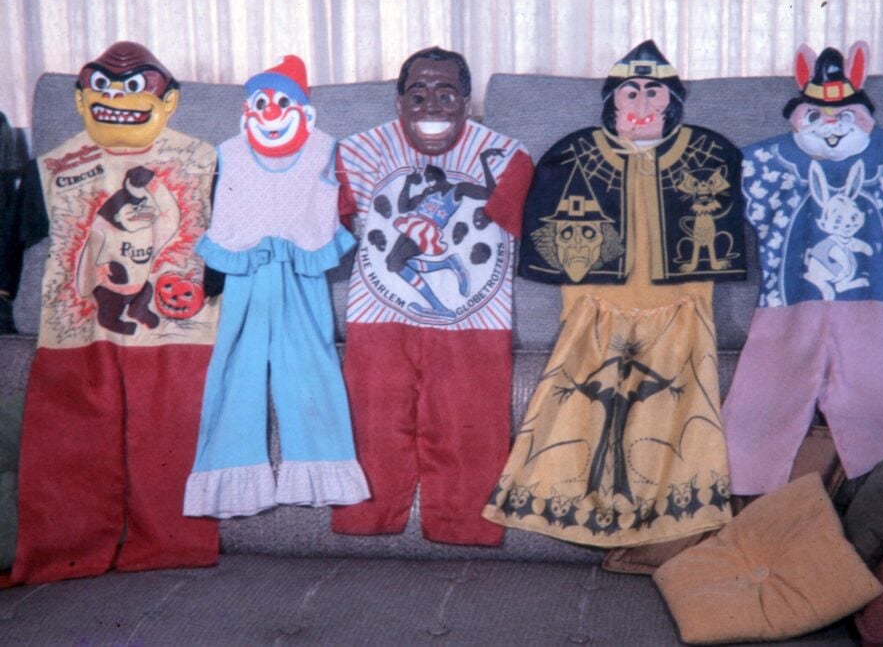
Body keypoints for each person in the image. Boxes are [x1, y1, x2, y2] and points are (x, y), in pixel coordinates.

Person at [482, 40, 745, 548]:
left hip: (683, 309)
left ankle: (674, 513)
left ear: (672, 100)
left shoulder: (712, 151)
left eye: (654, 92)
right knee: (577, 409)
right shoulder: (571, 153)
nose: (643, 104)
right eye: (631, 93)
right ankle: (560, 505)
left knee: (676, 413)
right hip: (593, 309)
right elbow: (536, 224)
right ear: (613, 101)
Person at [3, 42, 219, 583]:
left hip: (178, 333)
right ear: (80, 99)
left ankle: (171, 543)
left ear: (169, 101)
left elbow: (230, 240)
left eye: (133, 85)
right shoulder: (51, 166)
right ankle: (65, 549)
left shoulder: (206, 160)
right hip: (79, 333)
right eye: (101, 85)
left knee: (171, 433)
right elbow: (11, 246)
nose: (117, 96)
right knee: (70, 437)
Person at [723, 42, 883, 495]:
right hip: (788, 306)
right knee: (756, 418)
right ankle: (737, 516)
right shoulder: (766, 162)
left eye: (843, 114)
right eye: (817, 115)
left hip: (876, 307)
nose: (830, 125)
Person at [334, 47, 533, 546]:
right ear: (398, 103)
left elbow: (520, 227)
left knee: (469, 425)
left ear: (467, 102)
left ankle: (464, 526)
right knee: (374, 419)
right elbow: (322, 229)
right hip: (377, 319)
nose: (432, 105)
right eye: (418, 94)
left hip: (476, 326)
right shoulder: (357, 152)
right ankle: (367, 518)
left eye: (446, 94)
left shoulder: (509, 158)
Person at [183, 56, 370, 519]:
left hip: (301, 275)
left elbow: (344, 205)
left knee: (311, 367)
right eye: (260, 102)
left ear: (303, 110)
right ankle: (229, 480)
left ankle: (321, 470)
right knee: (234, 371)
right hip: (245, 273)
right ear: (248, 108)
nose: (270, 112)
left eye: (281, 101)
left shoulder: (327, 149)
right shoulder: (228, 152)